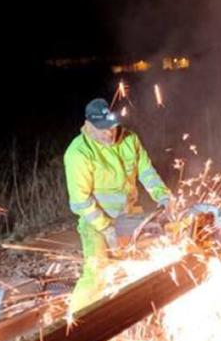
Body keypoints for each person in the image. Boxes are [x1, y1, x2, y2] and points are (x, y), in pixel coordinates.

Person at [64, 98, 171, 312]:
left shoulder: (130, 139)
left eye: (112, 127)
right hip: (96, 223)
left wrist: (164, 197)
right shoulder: (78, 153)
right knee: (97, 272)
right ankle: (73, 324)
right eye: (103, 129)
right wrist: (107, 229)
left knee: (134, 267)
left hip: (129, 216)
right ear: (89, 125)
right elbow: (81, 202)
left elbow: (146, 172)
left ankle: (127, 317)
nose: (109, 133)